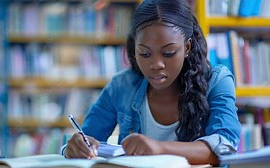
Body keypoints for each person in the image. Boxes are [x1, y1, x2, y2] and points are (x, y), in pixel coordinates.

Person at [62, 0, 241, 165]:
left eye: (169, 53)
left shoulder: (217, 81)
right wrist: (75, 147)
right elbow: (87, 139)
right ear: (134, 49)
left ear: (187, 47)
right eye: (145, 54)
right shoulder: (122, 86)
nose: (156, 64)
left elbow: (225, 147)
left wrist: (159, 148)